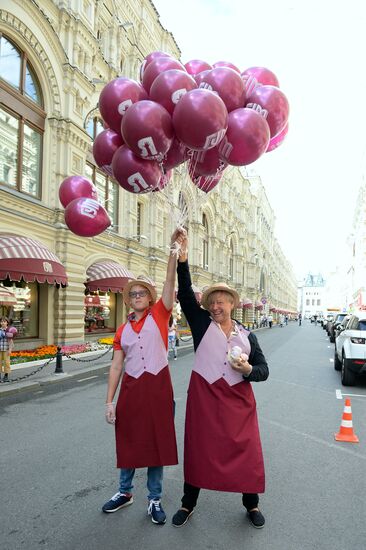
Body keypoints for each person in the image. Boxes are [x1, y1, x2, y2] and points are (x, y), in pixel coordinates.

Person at [172, 235, 269, 529]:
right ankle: (188, 503)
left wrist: (249, 368)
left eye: (221, 302)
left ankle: (251, 504)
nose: (216, 306)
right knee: (199, 450)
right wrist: (183, 260)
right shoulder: (202, 325)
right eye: (212, 302)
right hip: (205, 400)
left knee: (246, 451)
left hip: (239, 404)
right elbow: (186, 295)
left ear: (231, 305)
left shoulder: (247, 335)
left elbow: (264, 370)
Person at [102, 228, 186, 525]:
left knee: (156, 444)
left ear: (149, 298)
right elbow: (115, 366)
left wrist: (173, 252)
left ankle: (154, 499)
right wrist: (109, 402)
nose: (137, 296)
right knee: (128, 440)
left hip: (159, 388)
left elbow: (168, 282)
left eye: (142, 293)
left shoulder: (160, 314)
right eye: (133, 294)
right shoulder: (122, 330)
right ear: (128, 301)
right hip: (132, 389)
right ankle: (125, 492)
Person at [0, 317, 14, 383]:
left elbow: (10, 341)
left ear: (7, 323)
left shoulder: (9, 331)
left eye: (4, 321)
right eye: (2, 321)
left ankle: (6, 376)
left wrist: (10, 350)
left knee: (7, 363)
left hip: (6, 349)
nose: (3, 323)